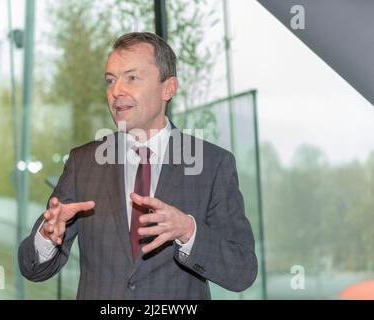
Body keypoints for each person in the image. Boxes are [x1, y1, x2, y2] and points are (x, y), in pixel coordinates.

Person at [18, 32, 257, 299]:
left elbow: (242, 271)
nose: (116, 91)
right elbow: (32, 268)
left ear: (168, 88)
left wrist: (188, 231)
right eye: (110, 80)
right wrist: (47, 237)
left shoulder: (212, 164)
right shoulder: (82, 163)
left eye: (132, 78)